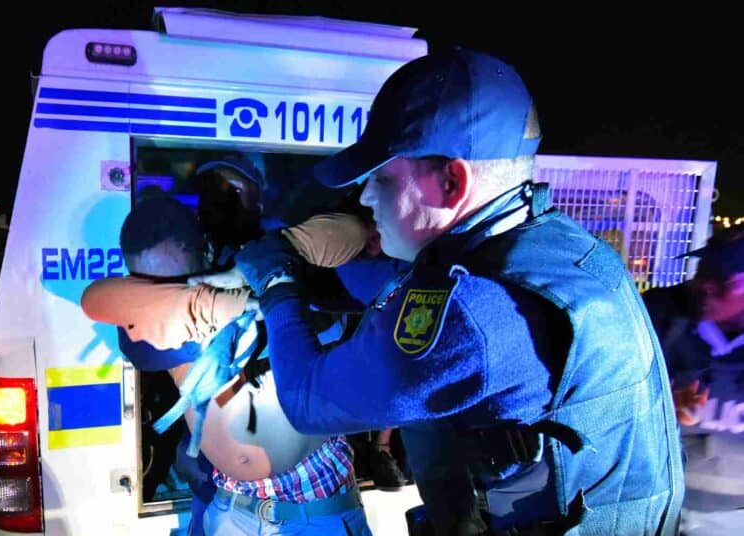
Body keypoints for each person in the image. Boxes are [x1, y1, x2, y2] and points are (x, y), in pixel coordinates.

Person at [215, 47, 685, 534]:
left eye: (382, 179)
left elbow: (306, 400)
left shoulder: (478, 312)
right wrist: (305, 283)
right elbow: (394, 286)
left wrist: (276, 285)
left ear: (452, 182)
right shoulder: (559, 246)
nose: (367, 197)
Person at [82, 195, 372, 534]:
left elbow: (355, 231)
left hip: (309, 499)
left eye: (179, 277)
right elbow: (94, 299)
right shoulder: (146, 315)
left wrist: (274, 258)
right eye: (152, 283)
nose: (169, 291)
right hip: (232, 502)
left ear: (205, 249)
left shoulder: (251, 270)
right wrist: (231, 305)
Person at [643, 226, 744, 535]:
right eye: (704, 272)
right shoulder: (658, 318)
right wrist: (656, 402)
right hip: (652, 506)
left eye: (722, 281)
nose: (704, 287)